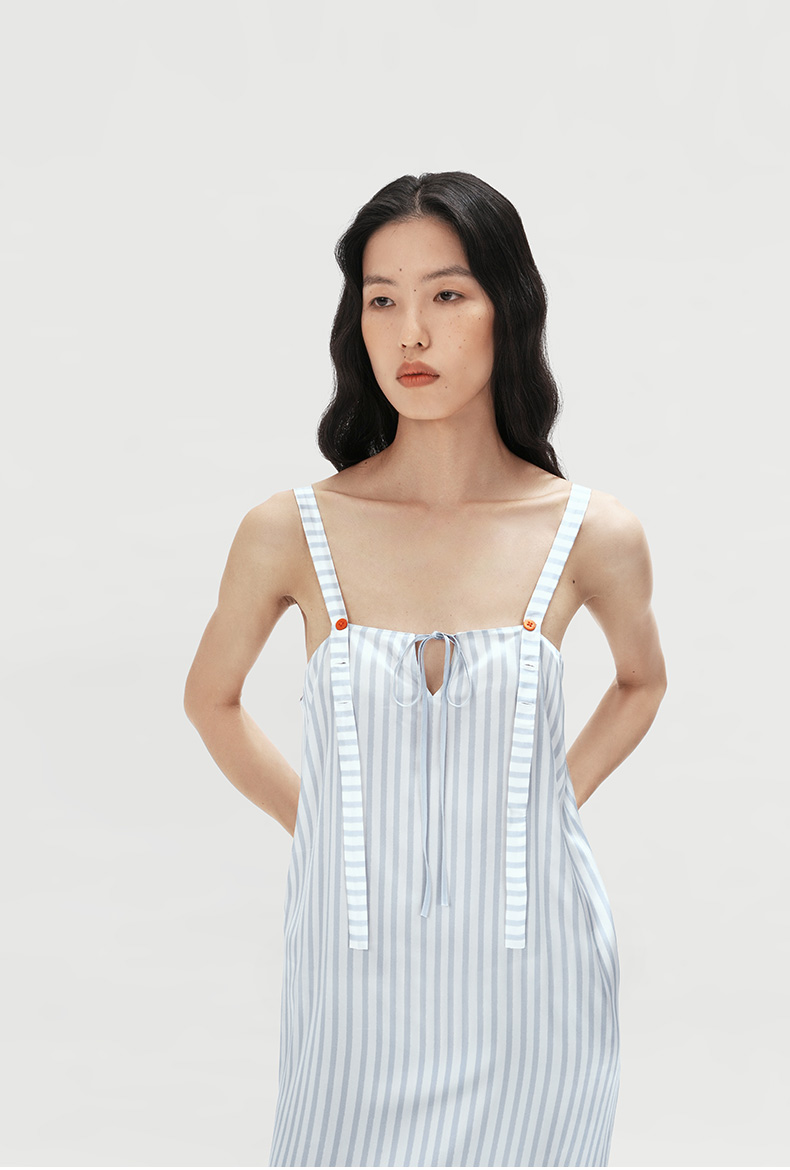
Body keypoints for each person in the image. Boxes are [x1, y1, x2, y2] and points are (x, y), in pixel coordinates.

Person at [184, 171, 667, 1168]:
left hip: (537, 985)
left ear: (507, 308)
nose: (411, 331)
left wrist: (547, 804)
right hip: (350, 988)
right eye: (382, 299)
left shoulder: (591, 532)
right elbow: (211, 701)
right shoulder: (290, 529)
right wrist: (326, 823)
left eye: (447, 294)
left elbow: (641, 681)